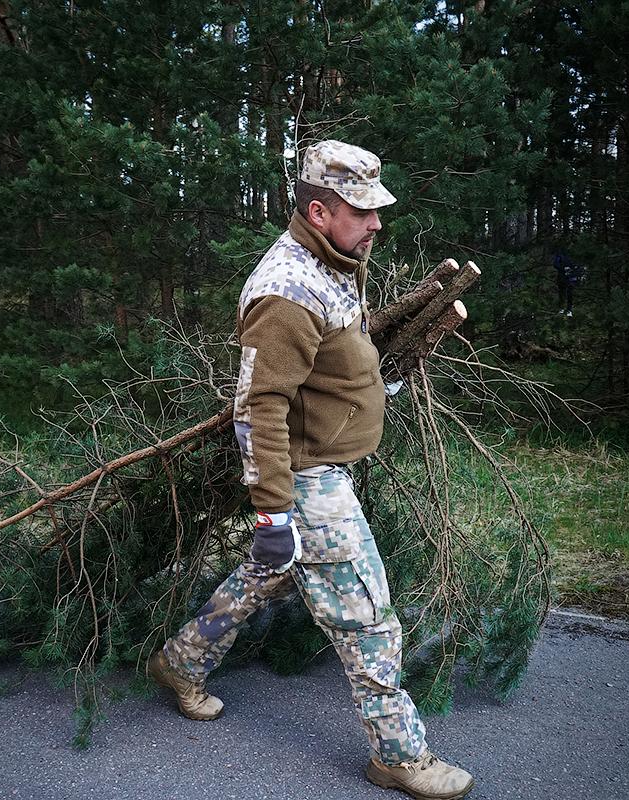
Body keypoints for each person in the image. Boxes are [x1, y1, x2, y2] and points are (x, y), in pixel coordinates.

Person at [149, 141, 475, 800]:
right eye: (363, 211)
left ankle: (181, 662)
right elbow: (257, 407)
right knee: (367, 618)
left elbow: (335, 354)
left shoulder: (335, 261)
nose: (377, 223)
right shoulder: (285, 290)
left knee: (268, 573)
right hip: (306, 476)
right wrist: (273, 512)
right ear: (320, 212)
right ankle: (400, 755)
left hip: (326, 462)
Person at [552, 249, 584, 317]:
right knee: (563, 293)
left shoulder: (577, 250)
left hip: (571, 277)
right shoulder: (561, 252)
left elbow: (581, 264)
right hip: (563, 277)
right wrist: (563, 269)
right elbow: (555, 264)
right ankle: (562, 309)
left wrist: (577, 270)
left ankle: (568, 310)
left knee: (569, 293)